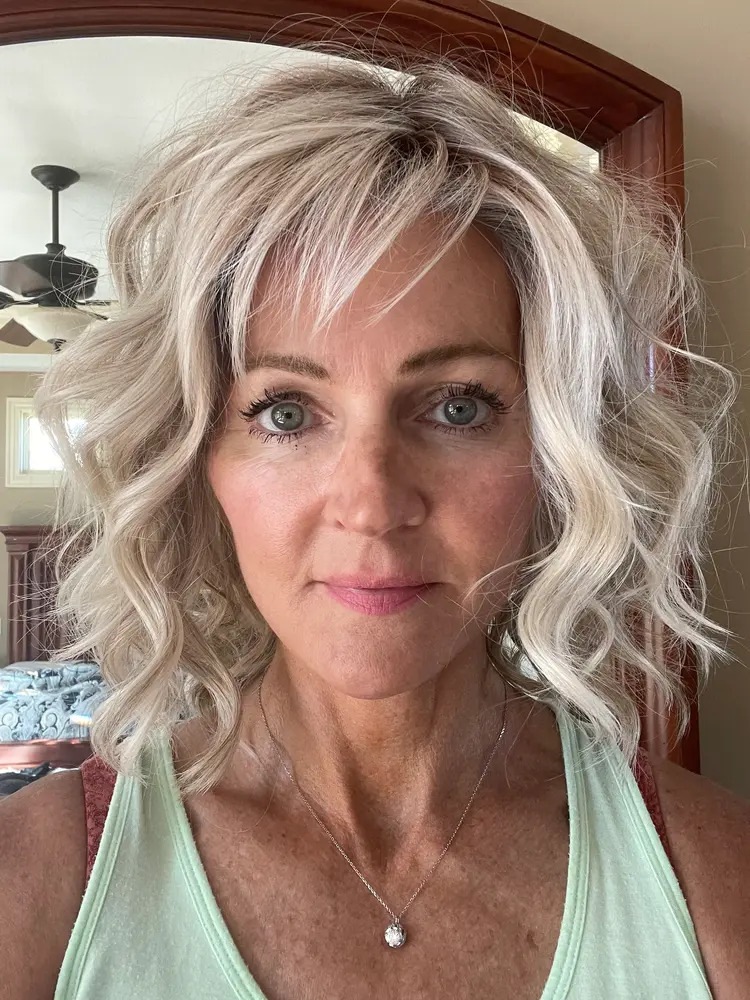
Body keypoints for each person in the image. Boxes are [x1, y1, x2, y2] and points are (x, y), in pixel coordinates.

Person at [1, 48, 748, 1000]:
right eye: (285, 412)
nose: (371, 504)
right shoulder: (30, 889)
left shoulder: (719, 883)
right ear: (196, 462)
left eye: (460, 406)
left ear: (562, 455)